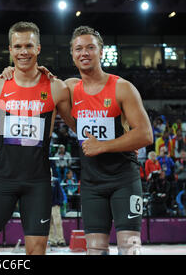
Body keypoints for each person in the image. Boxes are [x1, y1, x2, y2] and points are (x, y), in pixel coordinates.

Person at [0, 22, 75, 255]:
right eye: (18, 46)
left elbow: (77, 125)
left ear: (38, 48)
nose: (23, 51)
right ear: (10, 49)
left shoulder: (56, 87)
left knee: (36, 251)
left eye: (29, 45)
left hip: (37, 183)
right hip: (2, 181)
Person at [64, 26, 153, 255]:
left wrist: (102, 146)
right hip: (92, 183)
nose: (84, 53)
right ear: (72, 55)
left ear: (101, 52)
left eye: (90, 47)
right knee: (95, 250)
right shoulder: (71, 88)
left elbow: (145, 134)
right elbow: (38, 84)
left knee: (129, 247)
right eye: (79, 49)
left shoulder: (122, 88)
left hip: (124, 179)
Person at [49, 169, 67, 247]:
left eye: (50, 172)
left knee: (58, 223)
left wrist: (59, 203)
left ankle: (61, 240)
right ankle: (52, 241)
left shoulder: (55, 181)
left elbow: (59, 192)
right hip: (46, 206)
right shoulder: (43, 181)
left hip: (55, 205)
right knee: (50, 224)